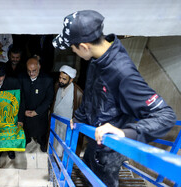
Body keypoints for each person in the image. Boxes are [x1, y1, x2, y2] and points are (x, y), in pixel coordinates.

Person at [52, 10, 176, 186]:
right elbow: (91, 93)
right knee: (87, 175)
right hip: (94, 139)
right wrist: (78, 117)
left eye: (72, 47)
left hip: (110, 150)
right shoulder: (97, 57)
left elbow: (166, 116)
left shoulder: (122, 71)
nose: (73, 51)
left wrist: (125, 133)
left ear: (84, 46)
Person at [18, 56, 54, 152]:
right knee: (26, 129)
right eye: (29, 71)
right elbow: (19, 96)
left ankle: (41, 141)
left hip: (40, 112)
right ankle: (27, 139)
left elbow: (49, 99)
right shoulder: (21, 77)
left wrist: (37, 111)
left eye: (34, 71)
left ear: (39, 67)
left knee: (41, 130)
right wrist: (23, 110)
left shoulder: (47, 79)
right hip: (26, 110)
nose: (31, 74)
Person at [51, 65, 83, 157]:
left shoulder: (78, 93)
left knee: (66, 147)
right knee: (55, 143)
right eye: (60, 77)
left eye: (64, 79)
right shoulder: (57, 86)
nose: (61, 80)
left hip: (68, 126)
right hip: (56, 123)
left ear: (71, 80)